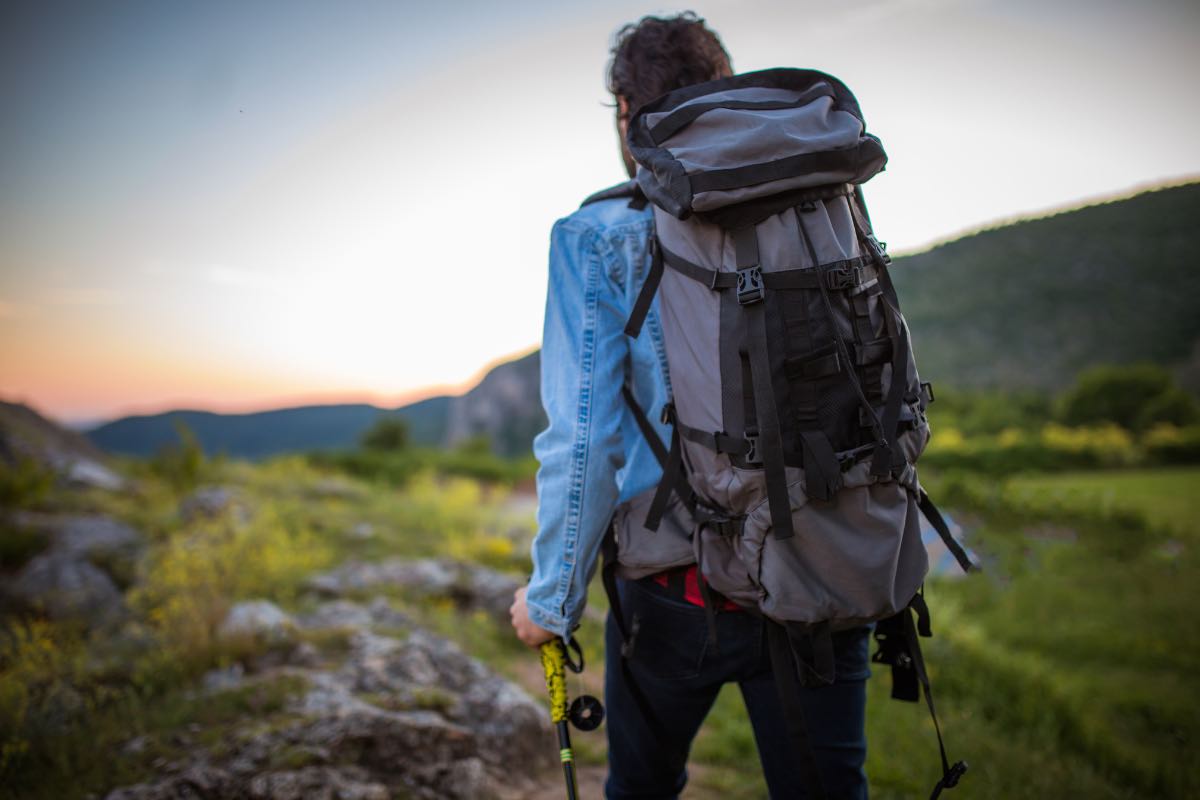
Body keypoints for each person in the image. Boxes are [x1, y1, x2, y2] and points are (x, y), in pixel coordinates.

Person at [510, 13, 871, 799]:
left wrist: (550, 600)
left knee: (640, 789)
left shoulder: (597, 233)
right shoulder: (816, 209)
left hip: (676, 594)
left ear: (626, 113)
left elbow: (582, 440)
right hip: (821, 572)